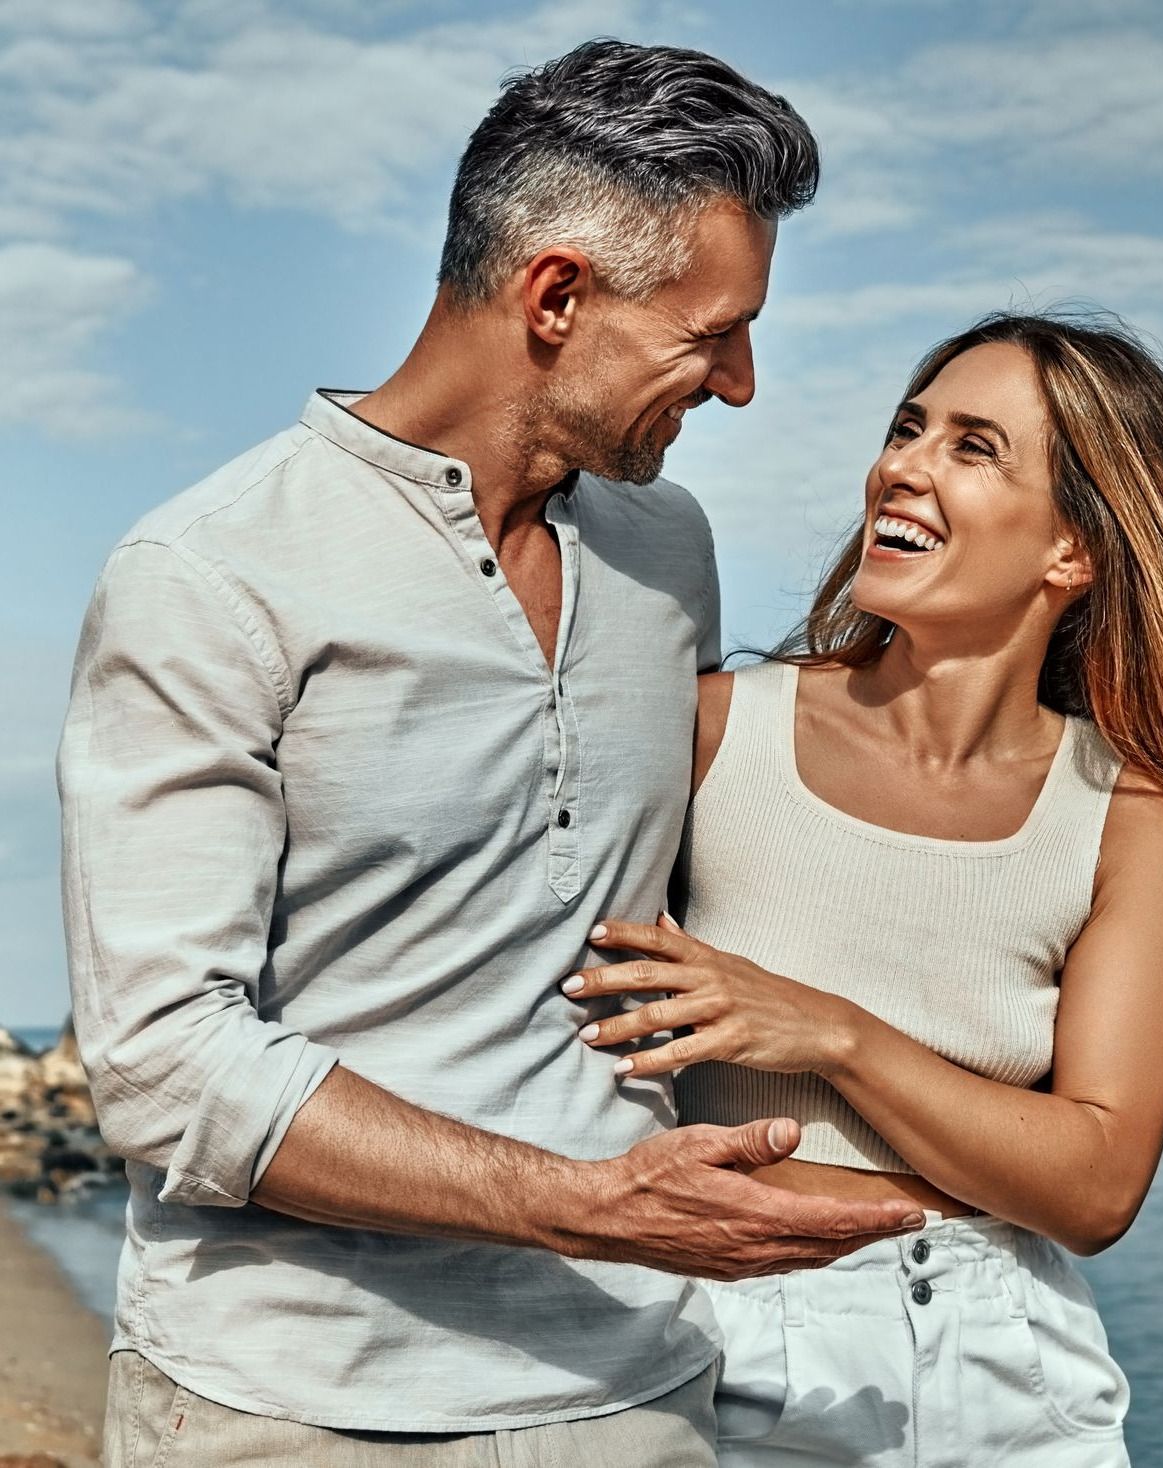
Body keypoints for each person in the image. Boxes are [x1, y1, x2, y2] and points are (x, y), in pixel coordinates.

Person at [57, 39, 923, 1468]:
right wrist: (583, 1200)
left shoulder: (667, 549)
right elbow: (163, 1063)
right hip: (290, 1410)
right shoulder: (209, 575)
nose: (742, 383)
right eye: (712, 334)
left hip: (638, 1396)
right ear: (559, 296)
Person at [567, 311, 1163, 1465]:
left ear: (1072, 552)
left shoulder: (1129, 816)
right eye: (909, 428)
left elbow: (1098, 1184)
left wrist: (832, 1033)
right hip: (732, 1338)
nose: (902, 465)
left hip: (1010, 1359)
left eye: (974, 447)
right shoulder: (714, 729)